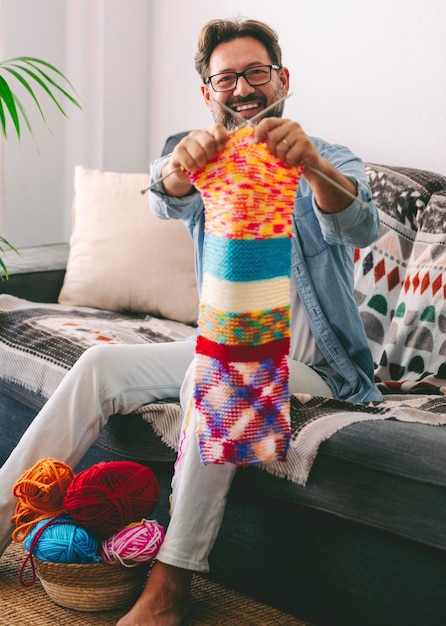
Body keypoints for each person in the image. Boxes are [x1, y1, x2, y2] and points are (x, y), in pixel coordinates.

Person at [0, 17, 381, 626]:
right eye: (226, 77)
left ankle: (173, 579)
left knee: (214, 372)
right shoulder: (202, 155)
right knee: (102, 363)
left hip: (317, 368)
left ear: (282, 79)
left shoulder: (327, 156)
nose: (244, 87)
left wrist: (308, 165)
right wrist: (182, 166)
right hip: (223, 343)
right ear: (208, 92)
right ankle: (0, 516)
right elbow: (163, 193)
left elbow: (358, 225)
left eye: (256, 71)